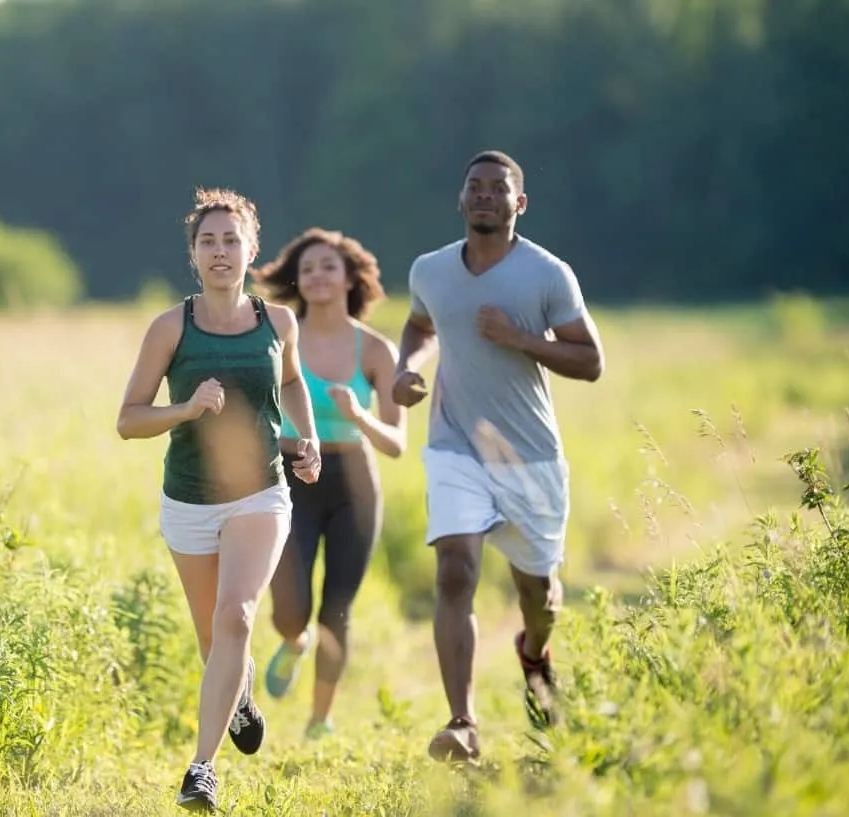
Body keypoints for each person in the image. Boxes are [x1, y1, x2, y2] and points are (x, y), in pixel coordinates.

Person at [390, 150, 605, 763]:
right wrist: (408, 368)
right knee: (455, 571)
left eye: (498, 189)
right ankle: (463, 723)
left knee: (538, 596)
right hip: (455, 444)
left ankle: (535, 653)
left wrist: (520, 340)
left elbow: (591, 362)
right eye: (475, 187)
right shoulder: (430, 270)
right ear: (461, 201)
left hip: (531, 457)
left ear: (520, 203)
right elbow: (420, 325)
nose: (485, 195)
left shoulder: (547, 275)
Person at [115, 187, 323, 812]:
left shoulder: (277, 322)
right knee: (215, 642)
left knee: (236, 617)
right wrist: (187, 407)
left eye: (231, 239)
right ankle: (241, 692)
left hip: (259, 493)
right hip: (188, 503)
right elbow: (128, 420)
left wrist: (305, 439)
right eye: (208, 240)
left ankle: (200, 769)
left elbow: (290, 382)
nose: (220, 250)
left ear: (251, 250)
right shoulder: (169, 327)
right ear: (193, 255)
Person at [250, 227, 407, 739]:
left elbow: (396, 443)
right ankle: (294, 643)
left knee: (337, 608)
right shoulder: (278, 336)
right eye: (310, 267)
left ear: (349, 279)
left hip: (354, 484)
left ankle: (320, 720)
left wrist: (359, 415)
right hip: (290, 477)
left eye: (329, 267)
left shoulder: (377, 351)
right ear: (298, 278)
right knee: (291, 608)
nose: (318, 275)